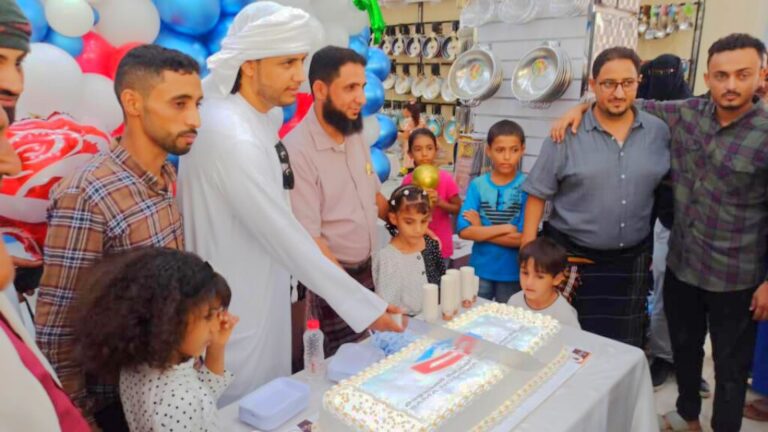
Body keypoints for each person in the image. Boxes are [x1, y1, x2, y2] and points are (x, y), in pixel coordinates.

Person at [178, 3, 402, 406]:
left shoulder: (256, 121)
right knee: (242, 411)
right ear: (249, 65)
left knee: (274, 404)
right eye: (287, 63)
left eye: (300, 61)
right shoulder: (232, 134)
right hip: (236, 309)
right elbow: (285, 233)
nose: (300, 76)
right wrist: (366, 308)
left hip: (266, 298)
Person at [551, 34, 768, 432]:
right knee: (684, 351)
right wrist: (580, 107)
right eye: (721, 75)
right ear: (707, 77)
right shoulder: (687, 113)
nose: (731, 85)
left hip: (737, 278)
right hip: (684, 267)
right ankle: (687, 416)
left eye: (742, 74)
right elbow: (625, 101)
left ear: (761, 75)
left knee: (730, 368)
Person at [34, 45, 202, 429]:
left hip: (167, 392)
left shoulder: (166, 178)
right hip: (114, 408)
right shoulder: (87, 194)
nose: (195, 119)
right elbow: (57, 330)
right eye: (179, 104)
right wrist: (80, 422)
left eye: (197, 104)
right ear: (133, 103)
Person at [522, 47, 670, 348]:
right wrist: (527, 254)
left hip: (630, 263)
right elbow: (537, 194)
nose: (618, 92)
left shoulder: (658, 132)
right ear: (593, 84)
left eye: (627, 83)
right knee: (562, 345)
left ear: (638, 82)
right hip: (572, 260)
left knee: (621, 348)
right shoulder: (566, 134)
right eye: (608, 84)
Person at [284, 45, 398, 356]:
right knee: (340, 368)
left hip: (368, 272)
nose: (361, 98)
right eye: (350, 88)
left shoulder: (354, 133)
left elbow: (373, 196)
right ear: (320, 90)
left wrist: (404, 223)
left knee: (374, 357)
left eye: (362, 86)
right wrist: (355, 301)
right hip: (330, 284)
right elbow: (312, 241)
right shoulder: (297, 151)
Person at [76, 248, 237, 432]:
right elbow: (192, 404)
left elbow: (203, 397)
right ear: (169, 321)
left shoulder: (139, 366)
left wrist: (217, 346)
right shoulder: (178, 403)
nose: (216, 325)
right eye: (208, 317)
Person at [637, 54, 709, 396]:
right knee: (664, 292)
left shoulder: (693, 111)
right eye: (657, 73)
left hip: (708, 224)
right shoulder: (647, 112)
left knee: (701, 300)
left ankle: (689, 365)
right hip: (663, 217)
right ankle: (663, 356)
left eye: (669, 73)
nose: (663, 78)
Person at [457, 120, 527, 304]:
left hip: (512, 272)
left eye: (514, 150)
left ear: (522, 150)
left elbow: (523, 239)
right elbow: (464, 231)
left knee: (507, 318)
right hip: (479, 270)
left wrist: (480, 230)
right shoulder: (478, 185)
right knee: (473, 316)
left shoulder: (527, 186)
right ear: (488, 150)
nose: (507, 157)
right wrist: (506, 228)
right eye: (500, 150)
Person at [373, 185, 445, 315]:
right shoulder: (387, 258)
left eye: (423, 221)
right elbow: (388, 307)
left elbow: (441, 282)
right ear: (394, 218)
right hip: (406, 324)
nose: (418, 229)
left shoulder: (431, 244)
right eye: (409, 222)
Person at [402, 128, 462, 266]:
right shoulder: (408, 180)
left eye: (429, 148)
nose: (424, 154)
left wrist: (440, 202)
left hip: (440, 245)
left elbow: (457, 208)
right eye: (418, 149)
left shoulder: (446, 179)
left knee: (438, 279)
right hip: (414, 244)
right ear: (410, 153)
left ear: (436, 150)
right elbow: (401, 212)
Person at [507, 237, 580, 328]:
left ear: (557, 279)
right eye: (525, 273)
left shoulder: (564, 314)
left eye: (539, 277)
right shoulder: (514, 301)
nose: (529, 283)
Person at [397, 100, 426, 173]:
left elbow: (406, 136)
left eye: (403, 109)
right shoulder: (422, 120)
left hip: (410, 149)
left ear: (406, 110)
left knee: (410, 172)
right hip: (420, 149)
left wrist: (397, 134)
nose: (402, 111)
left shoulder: (408, 121)